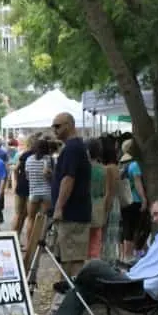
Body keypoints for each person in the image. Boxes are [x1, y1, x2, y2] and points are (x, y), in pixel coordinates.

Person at [49, 196, 158, 315]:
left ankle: (74, 280)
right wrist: (126, 268)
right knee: (82, 290)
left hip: (140, 289)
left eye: (156, 213)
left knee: (95, 264)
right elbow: (145, 264)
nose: (154, 219)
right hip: (131, 279)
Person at [50, 113, 92, 278]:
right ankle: (69, 295)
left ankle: (71, 297)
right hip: (74, 213)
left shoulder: (73, 148)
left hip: (72, 214)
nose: (54, 130)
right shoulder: (73, 147)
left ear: (69, 125)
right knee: (68, 257)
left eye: (58, 126)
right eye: (53, 126)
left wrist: (59, 207)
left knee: (71, 259)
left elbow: (69, 179)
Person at [118, 139, 148, 261]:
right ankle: (130, 256)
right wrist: (144, 199)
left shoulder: (122, 163)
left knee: (126, 227)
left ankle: (124, 256)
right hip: (135, 200)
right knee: (135, 228)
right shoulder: (135, 165)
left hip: (124, 201)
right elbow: (137, 183)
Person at [24, 138, 53, 242]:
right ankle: (40, 242)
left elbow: (27, 176)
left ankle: (29, 243)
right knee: (43, 219)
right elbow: (50, 176)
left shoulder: (29, 159)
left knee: (31, 218)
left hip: (33, 192)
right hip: (46, 192)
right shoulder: (48, 159)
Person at [87, 138, 111, 260]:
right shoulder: (104, 169)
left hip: (84, 205)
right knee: (96, 237)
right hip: (99, 205)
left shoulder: (84, 168)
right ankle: (94, 261)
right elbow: (107, 192)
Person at [100, 137, 123, 262]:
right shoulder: (115, 167)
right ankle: (111, 259)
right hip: (116, 202)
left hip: (109, 202)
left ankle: (107, 260)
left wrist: (104, 209)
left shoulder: (107, 168)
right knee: (113, 235)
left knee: (107, 235)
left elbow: (109, 191)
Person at [13, 136, 35, 238]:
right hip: (31, 187)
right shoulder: (37, 156)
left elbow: (15, 169)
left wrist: (17, 180)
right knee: (29, 216)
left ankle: (14, 238)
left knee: (18, 214)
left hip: (21, 186)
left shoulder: (24, 155)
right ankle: (29, 242)